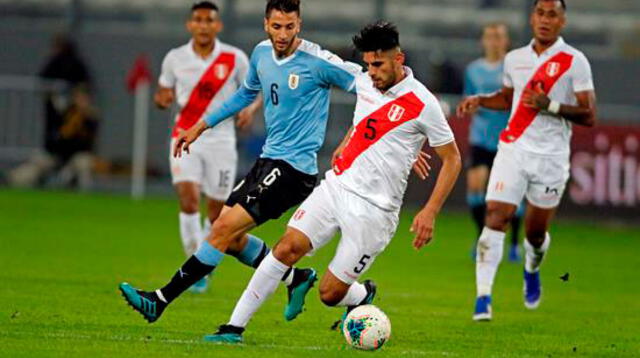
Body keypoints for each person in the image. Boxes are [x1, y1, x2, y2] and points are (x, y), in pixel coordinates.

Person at [119, 0, 431, 325]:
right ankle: (296, 279)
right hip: (267, 161)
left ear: (300, 25)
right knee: (232, 239)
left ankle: (160, 300)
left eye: (290, 26)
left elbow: (373, 85)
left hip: (293, 171)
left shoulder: (318, 61)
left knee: (222, 230)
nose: (283, 34)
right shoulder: (260, 54)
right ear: (266, 24)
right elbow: (245, 93)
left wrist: (401, 139)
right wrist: (200, 125)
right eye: (277, 26)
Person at [203, 21, 461, 343]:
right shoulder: (365, 82)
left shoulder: (424, 103)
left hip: (375, 212)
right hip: (337, 187)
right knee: (287, 247)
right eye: (367, 64)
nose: (372, 72)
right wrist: (349, 140)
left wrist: (430, 210)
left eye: (378, 65)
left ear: (399, 59)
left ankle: (361, 294)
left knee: (329, 293)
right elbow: (368, 122)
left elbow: (452, 159)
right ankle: (233, 328)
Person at [457, 0, 597, 321]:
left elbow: (589, 114)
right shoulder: (515, 58)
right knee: (496, 214)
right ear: (532, 18)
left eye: (552, 15)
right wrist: (480, 100)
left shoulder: (574, 61)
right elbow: (508, 98)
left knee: (535, 234)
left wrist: (552, 106)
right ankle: (483, 298)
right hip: (513, 148)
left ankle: (532, 268)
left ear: (562, 21)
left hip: (551, 157)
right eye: (540, 13)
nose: (545, 20)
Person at [153, 1, 260, 293]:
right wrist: (161, 99)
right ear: (190, 25)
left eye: (208, 20)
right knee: (188, 199)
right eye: (198, 20)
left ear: (218, 25)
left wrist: (250, 110)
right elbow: (163, 91)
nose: (203, 25)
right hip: (185, 137)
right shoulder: (175, 58)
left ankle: (201, 260)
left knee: (216, 215)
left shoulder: (234, 58)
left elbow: (255, 90)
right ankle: (194, 269)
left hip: (221, 142)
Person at [463, 22, 523, 262]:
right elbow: (469, 97)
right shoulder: (473, 70)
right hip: (481, 137)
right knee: (475, 185)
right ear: (483, 41)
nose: (494, 41)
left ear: (506, 41)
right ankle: (482, 238)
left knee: (509, 194)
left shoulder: (516, 68)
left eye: (498, 36)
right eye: (489, 36)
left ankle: (515, 244)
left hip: (508, 139)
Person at [7, 85, 98, 190]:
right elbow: (54, 132)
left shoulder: (91, 118)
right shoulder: (65, 113)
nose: (81, 101)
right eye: (78, 97)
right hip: (56, 155)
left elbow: (86, 145)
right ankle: (13, 180)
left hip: (74, 159)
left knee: (83, 162)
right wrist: (51, 102)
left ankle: (84, 194)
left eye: (84, 98)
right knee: (30, 168)